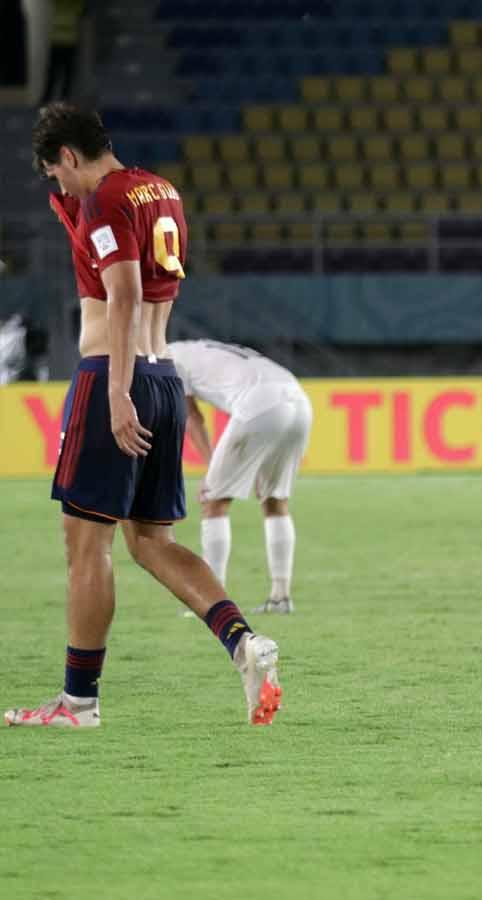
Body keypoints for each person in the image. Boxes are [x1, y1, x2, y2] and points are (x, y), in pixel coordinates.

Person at [5, 103, 281, 728]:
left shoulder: (103, 200)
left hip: (117, 375)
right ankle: (243, 642)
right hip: (164, 374)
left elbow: (124, 292)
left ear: (69, 157)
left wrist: (116, 392)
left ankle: (78, 703)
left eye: (56, 175)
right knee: (153, 543)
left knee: (85, 546)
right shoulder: (161, 190)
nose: (60, 187)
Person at [169, 339, 312, 614]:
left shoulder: (167, 358)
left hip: (261, 402)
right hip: (298, 398)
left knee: (213, 501)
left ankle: (211, 601)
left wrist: (212, 470)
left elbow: (192, 418)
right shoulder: (199, 348)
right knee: (274, 499)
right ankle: (280, 596)